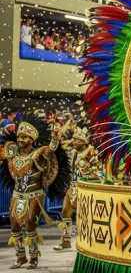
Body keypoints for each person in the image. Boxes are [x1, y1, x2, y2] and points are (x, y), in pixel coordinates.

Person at [0, 113, 66, 269]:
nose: (20, 139)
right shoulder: (13, 155)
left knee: (30, 224)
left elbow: (50, 151)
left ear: (31, 139)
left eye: (24, 137)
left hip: (34, 196)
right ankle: (21, 257)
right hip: (17, 195)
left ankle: (34, 258)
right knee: (15, 227)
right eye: (19, 136)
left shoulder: (38, 154)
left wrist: (54, 138)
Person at [54, 127, 99, 251]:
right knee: (65, 212)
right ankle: (66, 241)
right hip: (72, 187)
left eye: (77, 140)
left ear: (84, 142)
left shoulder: (90, 152)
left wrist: (90, 162)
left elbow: (97, 171)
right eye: (73, 139)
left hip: (84, 189)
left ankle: (87, 243)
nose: (74, 142)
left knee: (84, 216)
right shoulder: (72, 152)